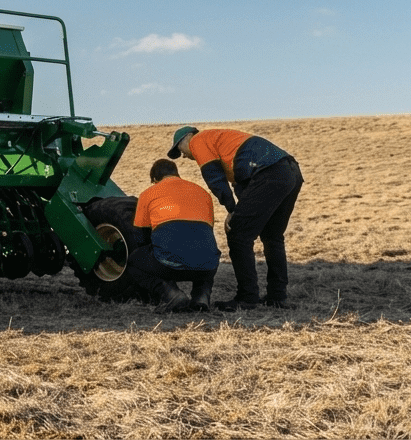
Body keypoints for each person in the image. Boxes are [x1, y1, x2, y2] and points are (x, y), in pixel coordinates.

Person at [168, 126, 303, 310]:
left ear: (188, 137)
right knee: (272, 236)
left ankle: (247, 297)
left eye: (179, 149)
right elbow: (244, 189)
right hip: (289, 171)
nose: (183, 156)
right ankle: (277, 296)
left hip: (268, 171)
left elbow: (214, 178)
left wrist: (232, 211)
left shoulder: (199, 141)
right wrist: (239, 209)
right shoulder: (224, 144)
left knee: (238, 235)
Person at [128, 159, 220, 312]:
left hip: (169, 264)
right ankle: (201, 297)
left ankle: (172, 295)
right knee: (206, 252)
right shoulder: (202, 192)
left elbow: (140, 235)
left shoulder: (149, 193)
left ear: (155, 179)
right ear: (176, 174)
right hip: (208, 266)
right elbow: (207, 229)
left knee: (134, 261)